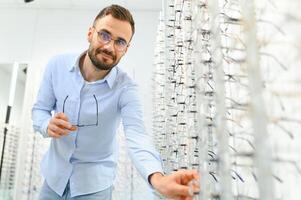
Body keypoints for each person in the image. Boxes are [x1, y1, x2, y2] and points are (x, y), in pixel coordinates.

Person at [32, 4, 199, 200]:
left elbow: (137, 136)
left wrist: (158, 179)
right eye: (104, 35)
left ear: (126, 49)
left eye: (120, 42)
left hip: (94, 189)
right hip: (53, 182)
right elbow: (40, 110)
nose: (109, 47)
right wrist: (46, 125)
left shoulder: (126, 89)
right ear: (90, 33)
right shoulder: (56, 66)